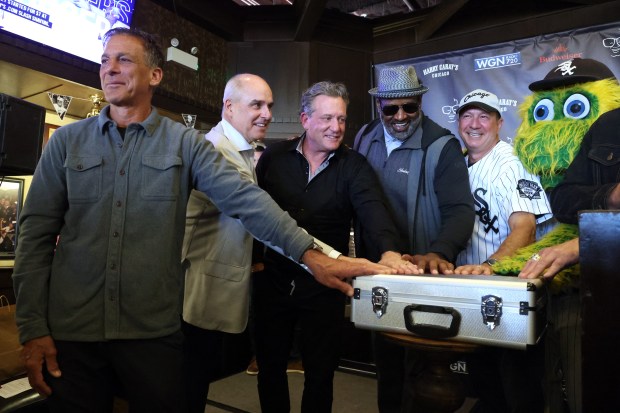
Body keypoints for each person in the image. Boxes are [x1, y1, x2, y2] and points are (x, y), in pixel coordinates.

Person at [11, 28, 395, 413]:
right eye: (105, 60)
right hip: (73, 333)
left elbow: (248, 203)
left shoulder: (186, 144)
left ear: (155, 75)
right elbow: (35, 236)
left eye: (124, 59)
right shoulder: (66, 142)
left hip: (152, 335)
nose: (110, 69)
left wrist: (313, 257)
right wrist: (33, 329)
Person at [253, 81, 418, 413]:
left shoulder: (354, 166)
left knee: (320, 375)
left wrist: (389, 251)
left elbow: (374, 211)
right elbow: (254, 215)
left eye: (341, 119)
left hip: (324, 290)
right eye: (327, 118)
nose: (336, 127)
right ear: (305, 120)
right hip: (272, 282)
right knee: (269, 370)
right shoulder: (272, 158)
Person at [353, 64, 474, 413]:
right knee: (387, 365)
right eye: (391, 109)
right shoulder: (365, 136)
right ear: (380, 108)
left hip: (421, 273)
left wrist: (440, 251)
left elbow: (460, 210)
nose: (401, 116)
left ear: (421, 104)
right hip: (377, 269)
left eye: (410, 107)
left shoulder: (442, 145)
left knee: (420, 367)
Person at [452, 89, 552, 413]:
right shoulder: (459, 165)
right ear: (458, 123)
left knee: (518, 388)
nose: (475, 123)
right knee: (488, 384)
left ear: (499, 122)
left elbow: (525, 227)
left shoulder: (510, 162)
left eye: (484, 116)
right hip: (478, 288)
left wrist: (491, 265)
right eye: (468, 115)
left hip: (510, 288)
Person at [181, 73, 274, 412]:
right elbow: (258, 215)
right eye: (257, 105)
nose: (266, 113)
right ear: (229, 107)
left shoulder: (240, 149)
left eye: (269, 105)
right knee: (188, 388)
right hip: (196, 293)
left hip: (208, 291)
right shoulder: (218, 150)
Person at [519, 107, 620, 413]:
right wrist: (610, 196)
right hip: (600, 294)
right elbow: (562, 200)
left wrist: (584, 243)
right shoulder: (609, 124)